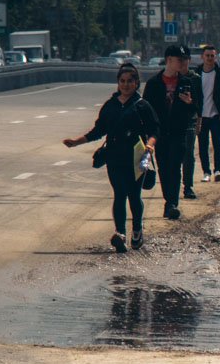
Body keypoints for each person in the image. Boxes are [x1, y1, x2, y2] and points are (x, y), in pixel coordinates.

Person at [62, 63, 159, 253]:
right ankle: (120, 234)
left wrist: (150, 146)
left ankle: (137, 231)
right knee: (119, 194)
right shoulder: (110, 106)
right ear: (118, 83)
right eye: (122, 81)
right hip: (114, 157)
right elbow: (98, 131)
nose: (126, 85)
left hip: (137, 158)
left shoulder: (142, 105)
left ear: (136, 83)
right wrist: (76, 142)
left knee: (134, 195)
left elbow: (154, 130)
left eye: (130, 81)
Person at [143, 44, 201, 219]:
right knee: (164, 168)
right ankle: (168, 200)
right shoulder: (154, 83)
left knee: (175, 168)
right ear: (169, 60)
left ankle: (172, 204)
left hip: (178, 133)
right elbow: (145, 110)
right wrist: (147, 134)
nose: (183, 63)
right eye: (179, 59)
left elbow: (196, 108)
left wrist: (189, 102)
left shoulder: (186, 82)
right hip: (160, 134)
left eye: (184, 59)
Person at [193, 43, 220, 182]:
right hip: (201, 117)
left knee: (217, 143)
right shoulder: (195, 75)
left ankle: (217, 171)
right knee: (202, 145)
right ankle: (206, 172)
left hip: (216, 116)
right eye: (207, 55)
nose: (210, 58)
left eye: (212, 56)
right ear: (202, 57)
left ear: (215, 57)